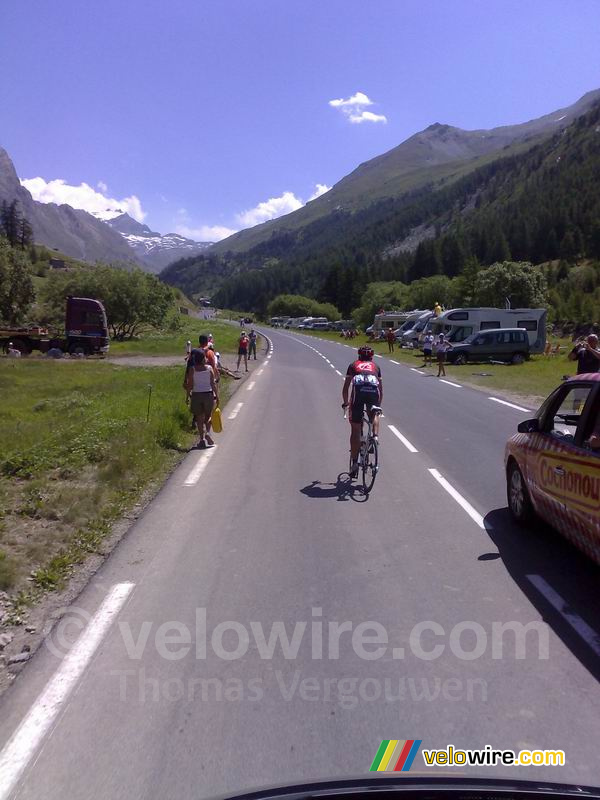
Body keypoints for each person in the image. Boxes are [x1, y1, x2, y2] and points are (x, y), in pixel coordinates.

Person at [342, 344, 383, 479]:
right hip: (373, 392)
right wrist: (377, 405)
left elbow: (346, 387)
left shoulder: (353, 365)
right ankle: (375, 437)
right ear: (371, 357)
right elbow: (380, 389)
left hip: (358, 392)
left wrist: (346, 403)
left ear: (359, 355)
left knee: (355, 429)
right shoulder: (376, 367)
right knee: (375, 413)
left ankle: (354, 464)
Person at [183, 348, 219, 448]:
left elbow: (190, 384)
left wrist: (187, 396)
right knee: (209, 416)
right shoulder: (209, 368)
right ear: (203, 359)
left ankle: (202, 439)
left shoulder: (192, 369)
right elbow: (213, 384)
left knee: (199, 417)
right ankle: (207, 432)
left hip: (196, 395)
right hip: (208, 395)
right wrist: (217, 396)